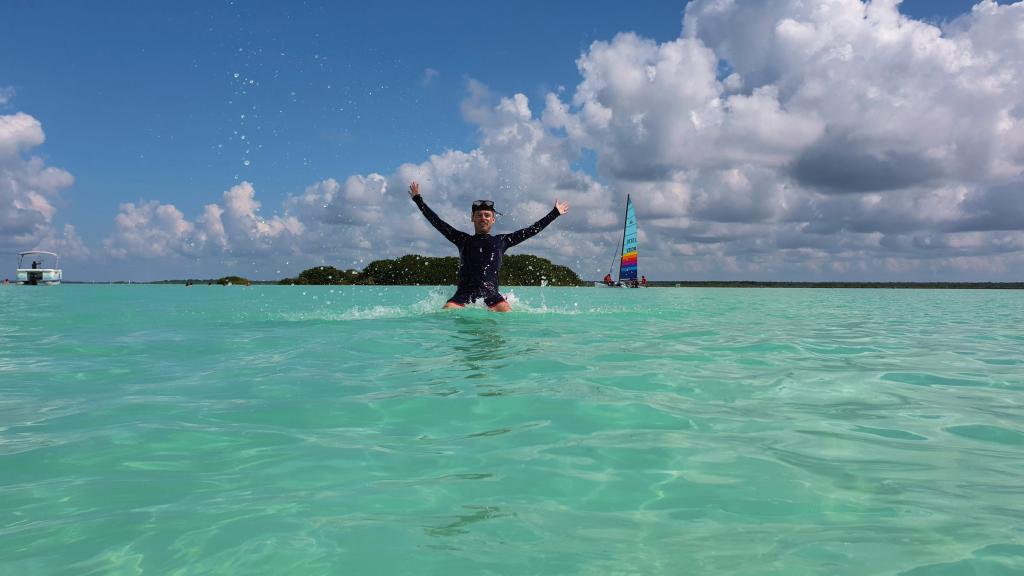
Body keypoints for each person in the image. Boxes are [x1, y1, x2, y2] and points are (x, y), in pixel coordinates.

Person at [409, 181, 568, 312]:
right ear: (472, 218)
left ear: (493, 220)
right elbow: (437, 222)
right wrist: (418, 200)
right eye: (479, 215)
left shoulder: (502, 241)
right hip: (463, 294)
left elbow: (530, 231)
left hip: (491, 294)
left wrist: (554, 213)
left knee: (507, 312)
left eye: (487, 215)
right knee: (445, 312)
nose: (483, 218)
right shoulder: (462, 239)